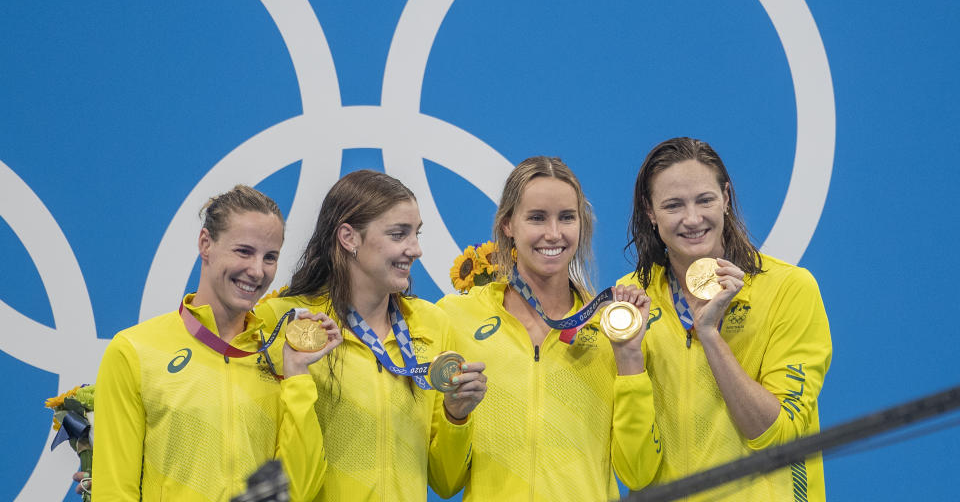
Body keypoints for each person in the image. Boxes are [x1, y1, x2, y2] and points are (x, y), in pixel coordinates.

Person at [93, 185, 341, 502]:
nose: (257, 270)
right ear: (206, 244)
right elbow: (114, 490)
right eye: (244, 251)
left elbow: (300, 489)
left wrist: (297, 375)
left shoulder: (279, 358)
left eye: (270, 257)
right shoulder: (134, 350)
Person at [617, 137, 832, 500]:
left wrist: (710, 336)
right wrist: (628, 360)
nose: (692, 218)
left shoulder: (789, 289)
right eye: (673, 205)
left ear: (726, 198)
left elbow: (777, 438)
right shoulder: (630, 302)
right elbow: (635, 473)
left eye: (705, 200)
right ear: (650, 212)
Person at [438, 156, 661, 501]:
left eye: (567, 218)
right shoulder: (456, 317)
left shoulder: (611, 326)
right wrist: (455, 416)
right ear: (508, 224)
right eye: (537, 218)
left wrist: (630, 359)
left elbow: (639, 473)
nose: (554, 234)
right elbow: (444, 481)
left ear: (581, 225)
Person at [256, 169, 487, 502]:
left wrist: (457, 414)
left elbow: (446, 482)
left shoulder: (432, 325)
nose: (416, 249)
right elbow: (279, 476)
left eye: (416, 233)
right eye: (399, 234)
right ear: (349, 237)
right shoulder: (287, 324)